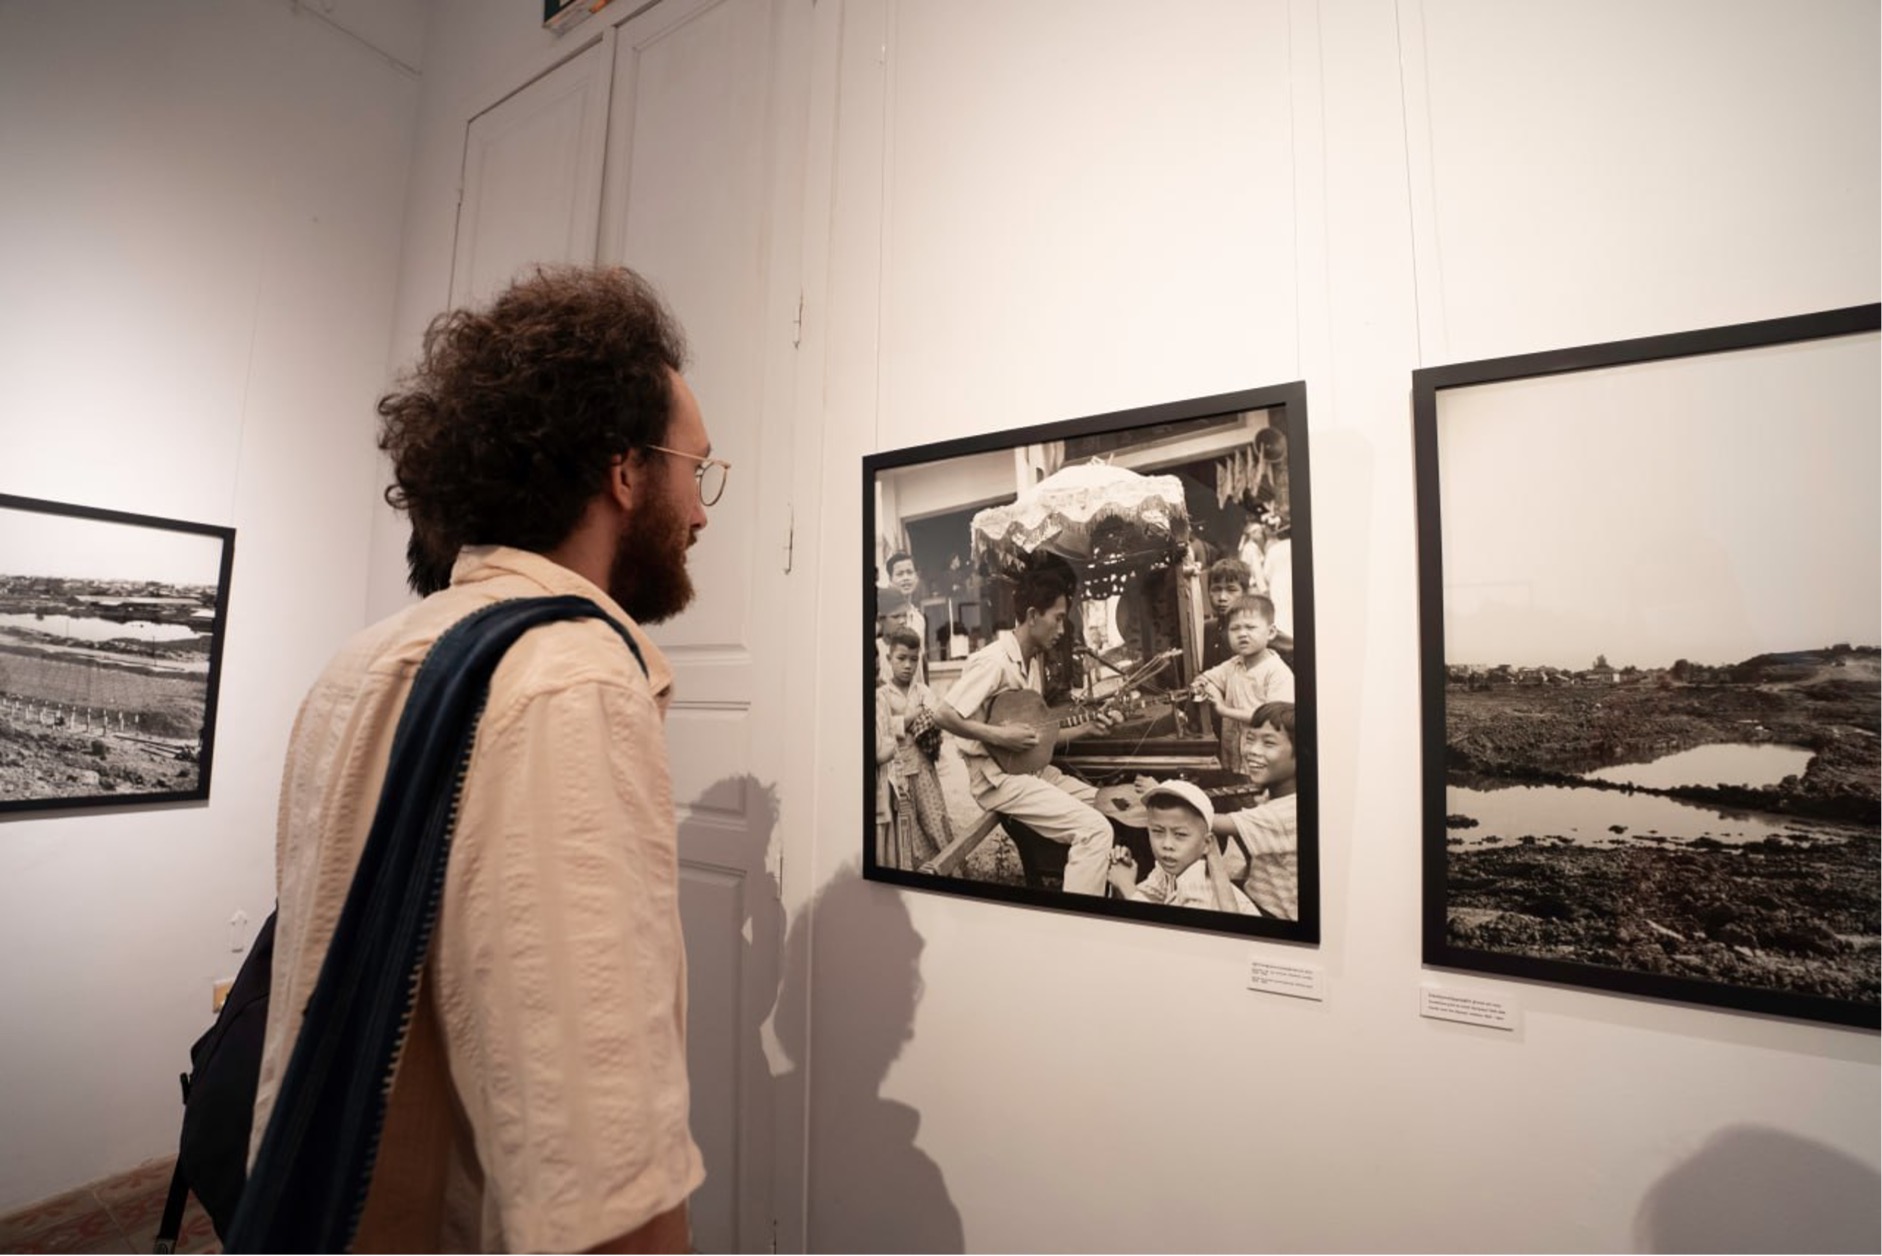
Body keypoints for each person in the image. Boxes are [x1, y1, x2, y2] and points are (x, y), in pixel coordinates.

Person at [252, 266, 721, 1253]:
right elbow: (602, 1180)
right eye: (696, 468)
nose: (701, 512)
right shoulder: (571, 679)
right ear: (624, 472)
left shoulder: (361, 661)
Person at [930, 563, 1122, 895]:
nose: (1062, 628)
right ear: (1033, 615)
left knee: (1108, 802)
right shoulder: (993, 661)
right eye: (1057, 618)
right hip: (997, 780)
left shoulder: (1032, 661)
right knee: (1094, 830)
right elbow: (943, 714)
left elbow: (1037, 736)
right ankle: (1078, 918)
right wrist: (999, 735)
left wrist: (1088, 728)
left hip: (1031, 771)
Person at [1105, 780, 1252, 914]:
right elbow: (1145, 899)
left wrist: (1126, 885)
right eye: (1157, 832)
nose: (1167, 845)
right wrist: (1123, 876)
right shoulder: (1170, 868)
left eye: (1180, 834)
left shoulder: (1198, 883)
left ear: (1206, 843)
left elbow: (1167, 933)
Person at [1212, 701, 1300, 920]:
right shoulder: (1278, 794)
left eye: (1268, 743)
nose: (1252, 751)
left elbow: (1207, 821)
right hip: (1257, 895)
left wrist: (1163, 790)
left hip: (1273, 915)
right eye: (1250, 739)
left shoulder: (1285, 813)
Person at [876, 626, 954, 869]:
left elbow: (934, 719)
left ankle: (949, 872)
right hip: (898, 774)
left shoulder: (923, 691)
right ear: (889, 658)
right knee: (909, 832)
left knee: (936, 822)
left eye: (913, 659)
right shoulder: (881, 695)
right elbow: (884, 729)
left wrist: (902, 720)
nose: (907, 665)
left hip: (924, 769)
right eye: (901, 658)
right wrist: (912, 716)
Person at [1191, 594, 1294, 774]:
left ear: (1271, 632)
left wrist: (1224, 710)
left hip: (1263, 762)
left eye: (1251, 627)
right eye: (1235, 628)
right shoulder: (1233, 665)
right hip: (1233, 758)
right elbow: (1205, 679)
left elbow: (1272, 718)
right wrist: (1210, 689)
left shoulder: (1277, 672)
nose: (1242, 634)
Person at [876, 550, 927, 683]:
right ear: (890, 579)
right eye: (900, 574)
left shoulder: (919, 619)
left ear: (916, 577)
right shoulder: (881, 615)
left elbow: (922, 662)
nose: (906, 578)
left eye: (909, 572)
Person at [1200, 557, 1252, 670]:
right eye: (1216, 589)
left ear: (1245, 593)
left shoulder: (1254, 628)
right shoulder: (1206, 629)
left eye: (1231, 590)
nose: (1222, 597)